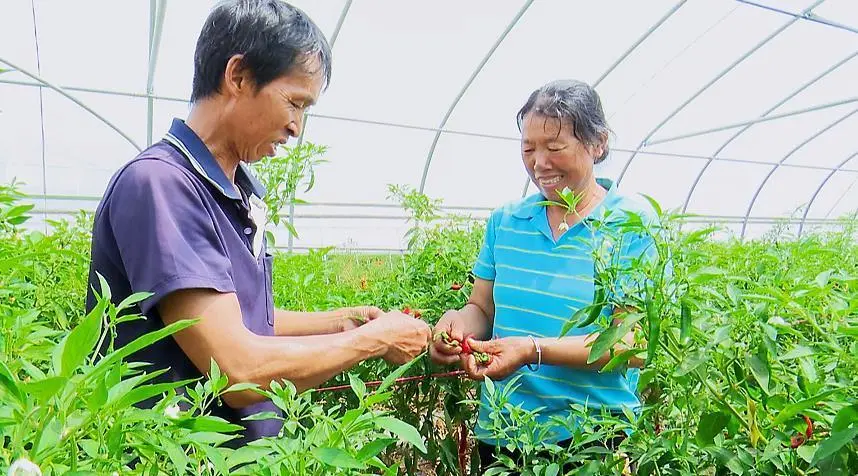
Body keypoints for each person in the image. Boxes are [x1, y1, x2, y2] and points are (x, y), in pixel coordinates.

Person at [85, 0, 430, 446]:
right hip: (181, 456)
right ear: (239, 77)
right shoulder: (162, 185)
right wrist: (374, 342)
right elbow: (236, 367)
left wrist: (342, 322)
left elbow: (240, 320)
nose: (296, 127)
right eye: (294, 102)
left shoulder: (237, 189)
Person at [430, 80, 656, 471]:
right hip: (504, 430)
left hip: (591, 437)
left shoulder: (631, 225)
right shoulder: (507, 221)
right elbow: (481, 308)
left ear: (597, 144)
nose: (539, 163)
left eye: (554, 148)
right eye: (528, 149)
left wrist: (532, 350)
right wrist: (456, 327)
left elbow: (631, 343)